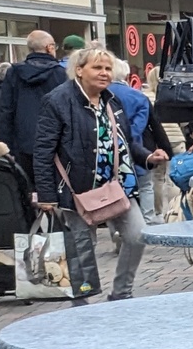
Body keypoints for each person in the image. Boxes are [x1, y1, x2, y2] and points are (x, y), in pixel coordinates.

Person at [34, 45, 160, 301]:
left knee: (137, 236)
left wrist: (146, 156)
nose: (104, 73)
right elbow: (43, 151)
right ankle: (82, 302)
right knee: (83, 249)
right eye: (97, 67)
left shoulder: (112, 100)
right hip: (77, 188)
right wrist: (47, 195)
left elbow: (124, 139)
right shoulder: (58, 100)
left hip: (117, 185)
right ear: (79, 71)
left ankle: (121, 293)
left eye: (107, 68)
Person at [0, 31, 69, 183]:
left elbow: (6, 110)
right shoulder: (61, 74)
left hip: (22, 143)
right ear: (49, 48)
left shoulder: (13, 72)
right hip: (55, 142)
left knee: (26, 190)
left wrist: (5, 145)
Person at [108, 56, 173, 223]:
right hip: (139, 148)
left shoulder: (102, 95)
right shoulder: (138, 96)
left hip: (110, 151)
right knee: (145, 186)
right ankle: (148, 219)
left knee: (113, 189)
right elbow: (146, 124)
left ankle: (117, 227)